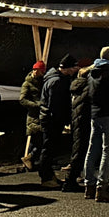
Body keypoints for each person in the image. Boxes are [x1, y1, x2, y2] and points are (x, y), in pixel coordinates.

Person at [84, 46, 109, 202]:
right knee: (108, 151)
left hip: (95, 114)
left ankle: (89, 185)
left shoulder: (92, 73)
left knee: (92, 148)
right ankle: (102, 187)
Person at [38, 54, 79, 188]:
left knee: (48, 147)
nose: (76, 70)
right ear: (68, 68)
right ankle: (46, 178)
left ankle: (49, 176)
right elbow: (55, 105)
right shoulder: (57, 82)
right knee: (48, 148)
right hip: (52, 119)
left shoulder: (53, 78)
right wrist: (63, 119)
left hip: (47, 117)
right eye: (74, 67)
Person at [65, 61, 93, 193]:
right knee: (80, 151)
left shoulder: (77, 85)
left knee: (78, 150)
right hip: (83, 120)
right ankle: (70, 180)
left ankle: (72, 179)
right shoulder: (87, 87)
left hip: (77, 120)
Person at [19, 60, 46, 170]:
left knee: (37, 140)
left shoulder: (42, 81)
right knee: (37, 139)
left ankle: (30, 160)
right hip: (33, 116)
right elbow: (22, 99)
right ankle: (29, 158)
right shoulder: (27, 83)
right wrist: (36, 105)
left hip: (41, 114)